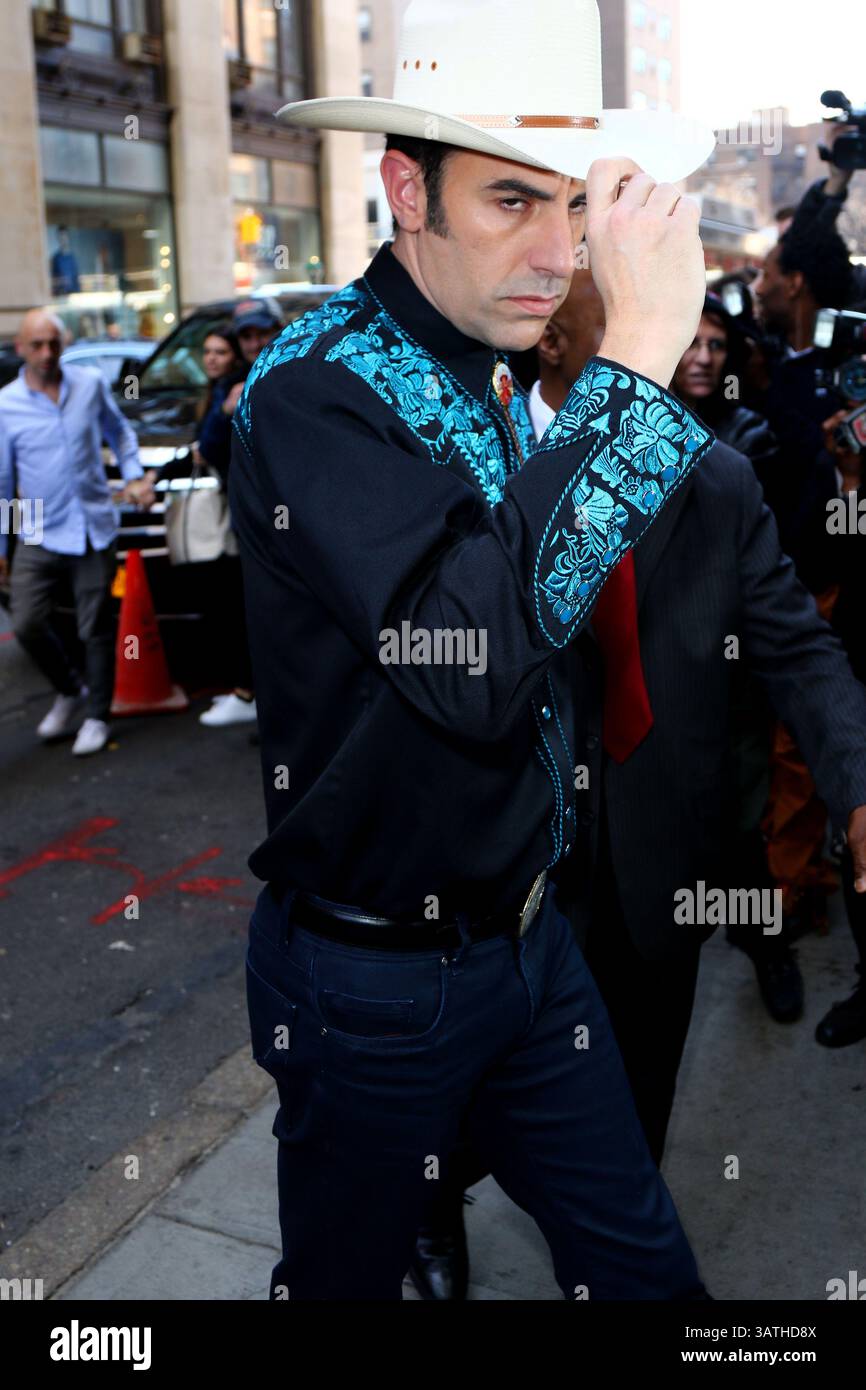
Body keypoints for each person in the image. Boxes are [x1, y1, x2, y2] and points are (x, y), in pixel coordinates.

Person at [228, 0, 722, 1302]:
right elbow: (466, 656)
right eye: (510, 200)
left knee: (641, 1262)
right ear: (407, 191)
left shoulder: (481, 353)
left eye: (572, 206)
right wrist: (638, 360)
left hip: (530, 945)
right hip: (372, 980)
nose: (557, 253)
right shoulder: (312, 388)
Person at [412, 263, 866, 1299]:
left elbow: (798, 649)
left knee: (633, 1098)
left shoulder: (716, 479)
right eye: (634, 319)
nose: (675, 345)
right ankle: (429, 1201)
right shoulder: (466, 471)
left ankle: (611, 1241)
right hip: (503, 868)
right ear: (555, 343)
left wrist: (855, 782)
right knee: (473, 1083)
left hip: (662, 860)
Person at [0, 309, 154, 756]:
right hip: (36, 526)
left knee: (96, 628)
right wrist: (3, 544)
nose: (47, 353)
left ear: (63, 344)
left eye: (54, 343)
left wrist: (133, 475)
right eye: (37, 345)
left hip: (91, 522)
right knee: (27, 621)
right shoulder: (7, 404)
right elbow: (4, 481)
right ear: (21, 349)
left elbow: (119, 433)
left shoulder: (88, 384)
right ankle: (70, 691)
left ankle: (97, 716)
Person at [171, 324, 257, 729]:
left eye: (220, 352)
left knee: (234, 606)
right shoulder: (219, 390)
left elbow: (207, 448)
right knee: (229, 604)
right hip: (234, 507)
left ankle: (247, 691)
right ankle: (244, 689)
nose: (211, 358)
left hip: (242, 512)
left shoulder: (234, 390)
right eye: (207, 351)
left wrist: (221, 416)